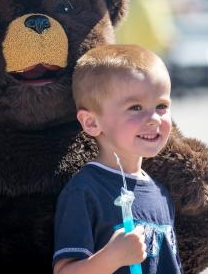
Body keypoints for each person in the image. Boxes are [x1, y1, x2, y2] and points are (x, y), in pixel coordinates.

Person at [53, 44, 182, 274]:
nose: (153, 118)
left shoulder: (160, 193)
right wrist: (111, 258)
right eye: (135, 107)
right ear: (92, 123)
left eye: (161, 106)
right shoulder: (84, 191)